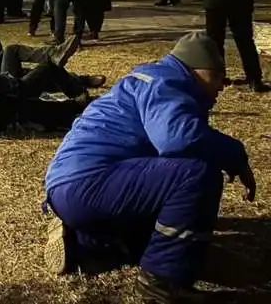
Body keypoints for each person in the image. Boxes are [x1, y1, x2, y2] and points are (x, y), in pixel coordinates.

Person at [44, 32, 255, 303]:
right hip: (88, 184)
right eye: (219, 77)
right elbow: (178, 138)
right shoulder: (167, 83)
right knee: (195, 174)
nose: (222, 87)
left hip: (71, 186)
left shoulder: (147, 79)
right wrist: (234, 153)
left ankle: (85, 245)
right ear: (198, 71)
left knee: (167, 204)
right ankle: (162, 283)